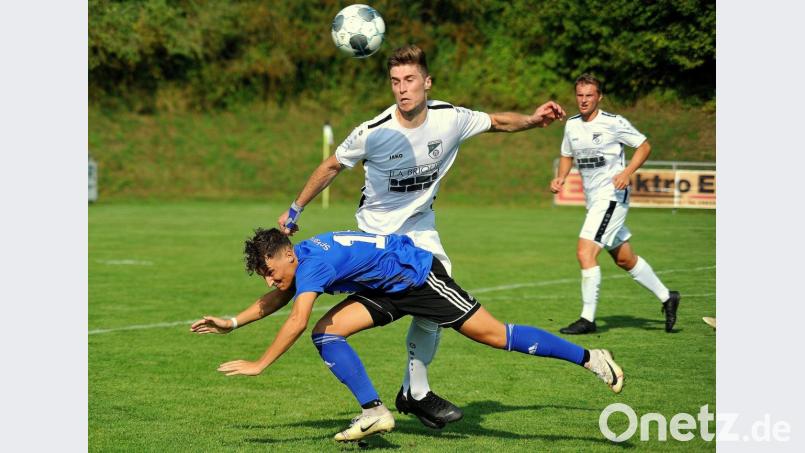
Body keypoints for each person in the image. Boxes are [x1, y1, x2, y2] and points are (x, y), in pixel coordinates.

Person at [275, 44, 566, 428]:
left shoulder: (450, 118)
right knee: (428, 296)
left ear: (427, 82)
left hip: (421, 230)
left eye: (409, 80)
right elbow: (331, 166)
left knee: (439, 283)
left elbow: (497, 122)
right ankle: (412, 393)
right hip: (378, 237)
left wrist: (532, 119)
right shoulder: (373, 132)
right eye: (395, 81)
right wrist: (295, 209)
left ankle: (413, 392)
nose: (402, 88)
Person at [190, 228, 625, 442]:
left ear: (286, 256)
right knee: (328, 332)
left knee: (494, 335)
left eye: (269, 271)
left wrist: (260, 364)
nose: (269, 280)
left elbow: (294, 319)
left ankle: (590, 358)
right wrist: (231, 323)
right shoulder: (301, 260)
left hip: (417, 278)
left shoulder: (312, 264)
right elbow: (282, 300)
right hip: (384, 288)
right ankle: (375, 411)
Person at [550, 74, 680, 335]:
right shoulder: (572, 125)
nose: (584, 100)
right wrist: (561, 177)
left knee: (585, 252)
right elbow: (566, 154)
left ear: (599, 97)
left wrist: (627, 172)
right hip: (594, 201)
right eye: (580, 95)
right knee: (624, 259)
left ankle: (587, 319)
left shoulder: (613, 123)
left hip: (611, 197)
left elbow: (644, 146)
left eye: (589, 95)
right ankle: (668, 297)